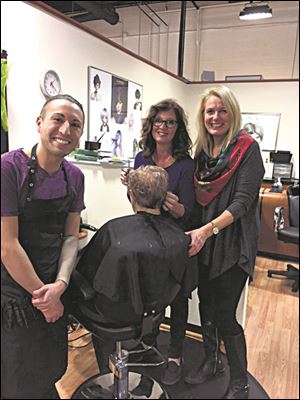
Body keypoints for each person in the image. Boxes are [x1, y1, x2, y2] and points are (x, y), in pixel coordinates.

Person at [73, 166, 197, 382]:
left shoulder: (114, 232)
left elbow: (87, 275)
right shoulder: (181, 238)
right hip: (155, 314)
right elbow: (184, 284)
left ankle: (107, 373)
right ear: (164, 197)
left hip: (111, 319)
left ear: (131, 195)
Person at [1, 94, 86, 399]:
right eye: (58, 119)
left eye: (75, 124)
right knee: (15, 375)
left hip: (53, 287)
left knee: (49, 366)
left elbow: (70, 237)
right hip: (15, 290)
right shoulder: (8, 169)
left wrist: (60, 285)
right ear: (40, 123)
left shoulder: (75, 177)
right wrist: (45, 298)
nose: (65, 129)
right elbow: (8, 246)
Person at [184, 86, 265, 399]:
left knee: (226, 316)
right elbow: (195, 200)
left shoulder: (247, 149)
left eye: (221, 110)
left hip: (232, 245)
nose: (215, 117)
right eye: (209, 111)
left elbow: (243, 202)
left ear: (232, 113)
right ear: (202, 117)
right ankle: (211, 361)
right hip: (205, 245)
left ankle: (239, 382)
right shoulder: (202, 155)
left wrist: (207, 230)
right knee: (206, 306)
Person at [120, 99, 196, 385]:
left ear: (177, 128)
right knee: (150, 294)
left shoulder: (186, 166)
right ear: (151, 126)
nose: (163, 126)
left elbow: (188, 213)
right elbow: (136, 206)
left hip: (175, 241)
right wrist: (133, 189)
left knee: (177, 297)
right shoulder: (142, 158)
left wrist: (171, 205)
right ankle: (148, 343)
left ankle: (175, 354)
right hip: (147, 238)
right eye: (158, 121)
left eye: (170, 122)